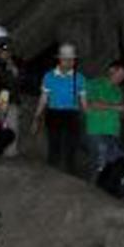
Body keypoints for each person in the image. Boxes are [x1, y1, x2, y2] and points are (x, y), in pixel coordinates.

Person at [32, 43, 86, 174]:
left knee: (71, 146)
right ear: (60, 59)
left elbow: (83, 101)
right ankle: (51, 173)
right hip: (54, 113)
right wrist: (36, 117)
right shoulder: (49, 76)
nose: (70, 62)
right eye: (67, 59)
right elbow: (44, 98)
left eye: (72, 59)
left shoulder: (79, 78)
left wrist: (87, 116)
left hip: (72, 114)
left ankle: (70, 174)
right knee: (54, 145)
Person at [81, 58, 124, 182]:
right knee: (99, 161)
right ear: (111, 70)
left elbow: (118, 112)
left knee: (112, 163)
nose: (121, 79)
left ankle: (104, 188)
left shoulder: (118, 91)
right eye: (120, 74)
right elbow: (90, 104)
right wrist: (116, 107)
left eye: (123, 77)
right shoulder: (93, 84)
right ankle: (91, 187)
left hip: (113, 132)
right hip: (95, 129)